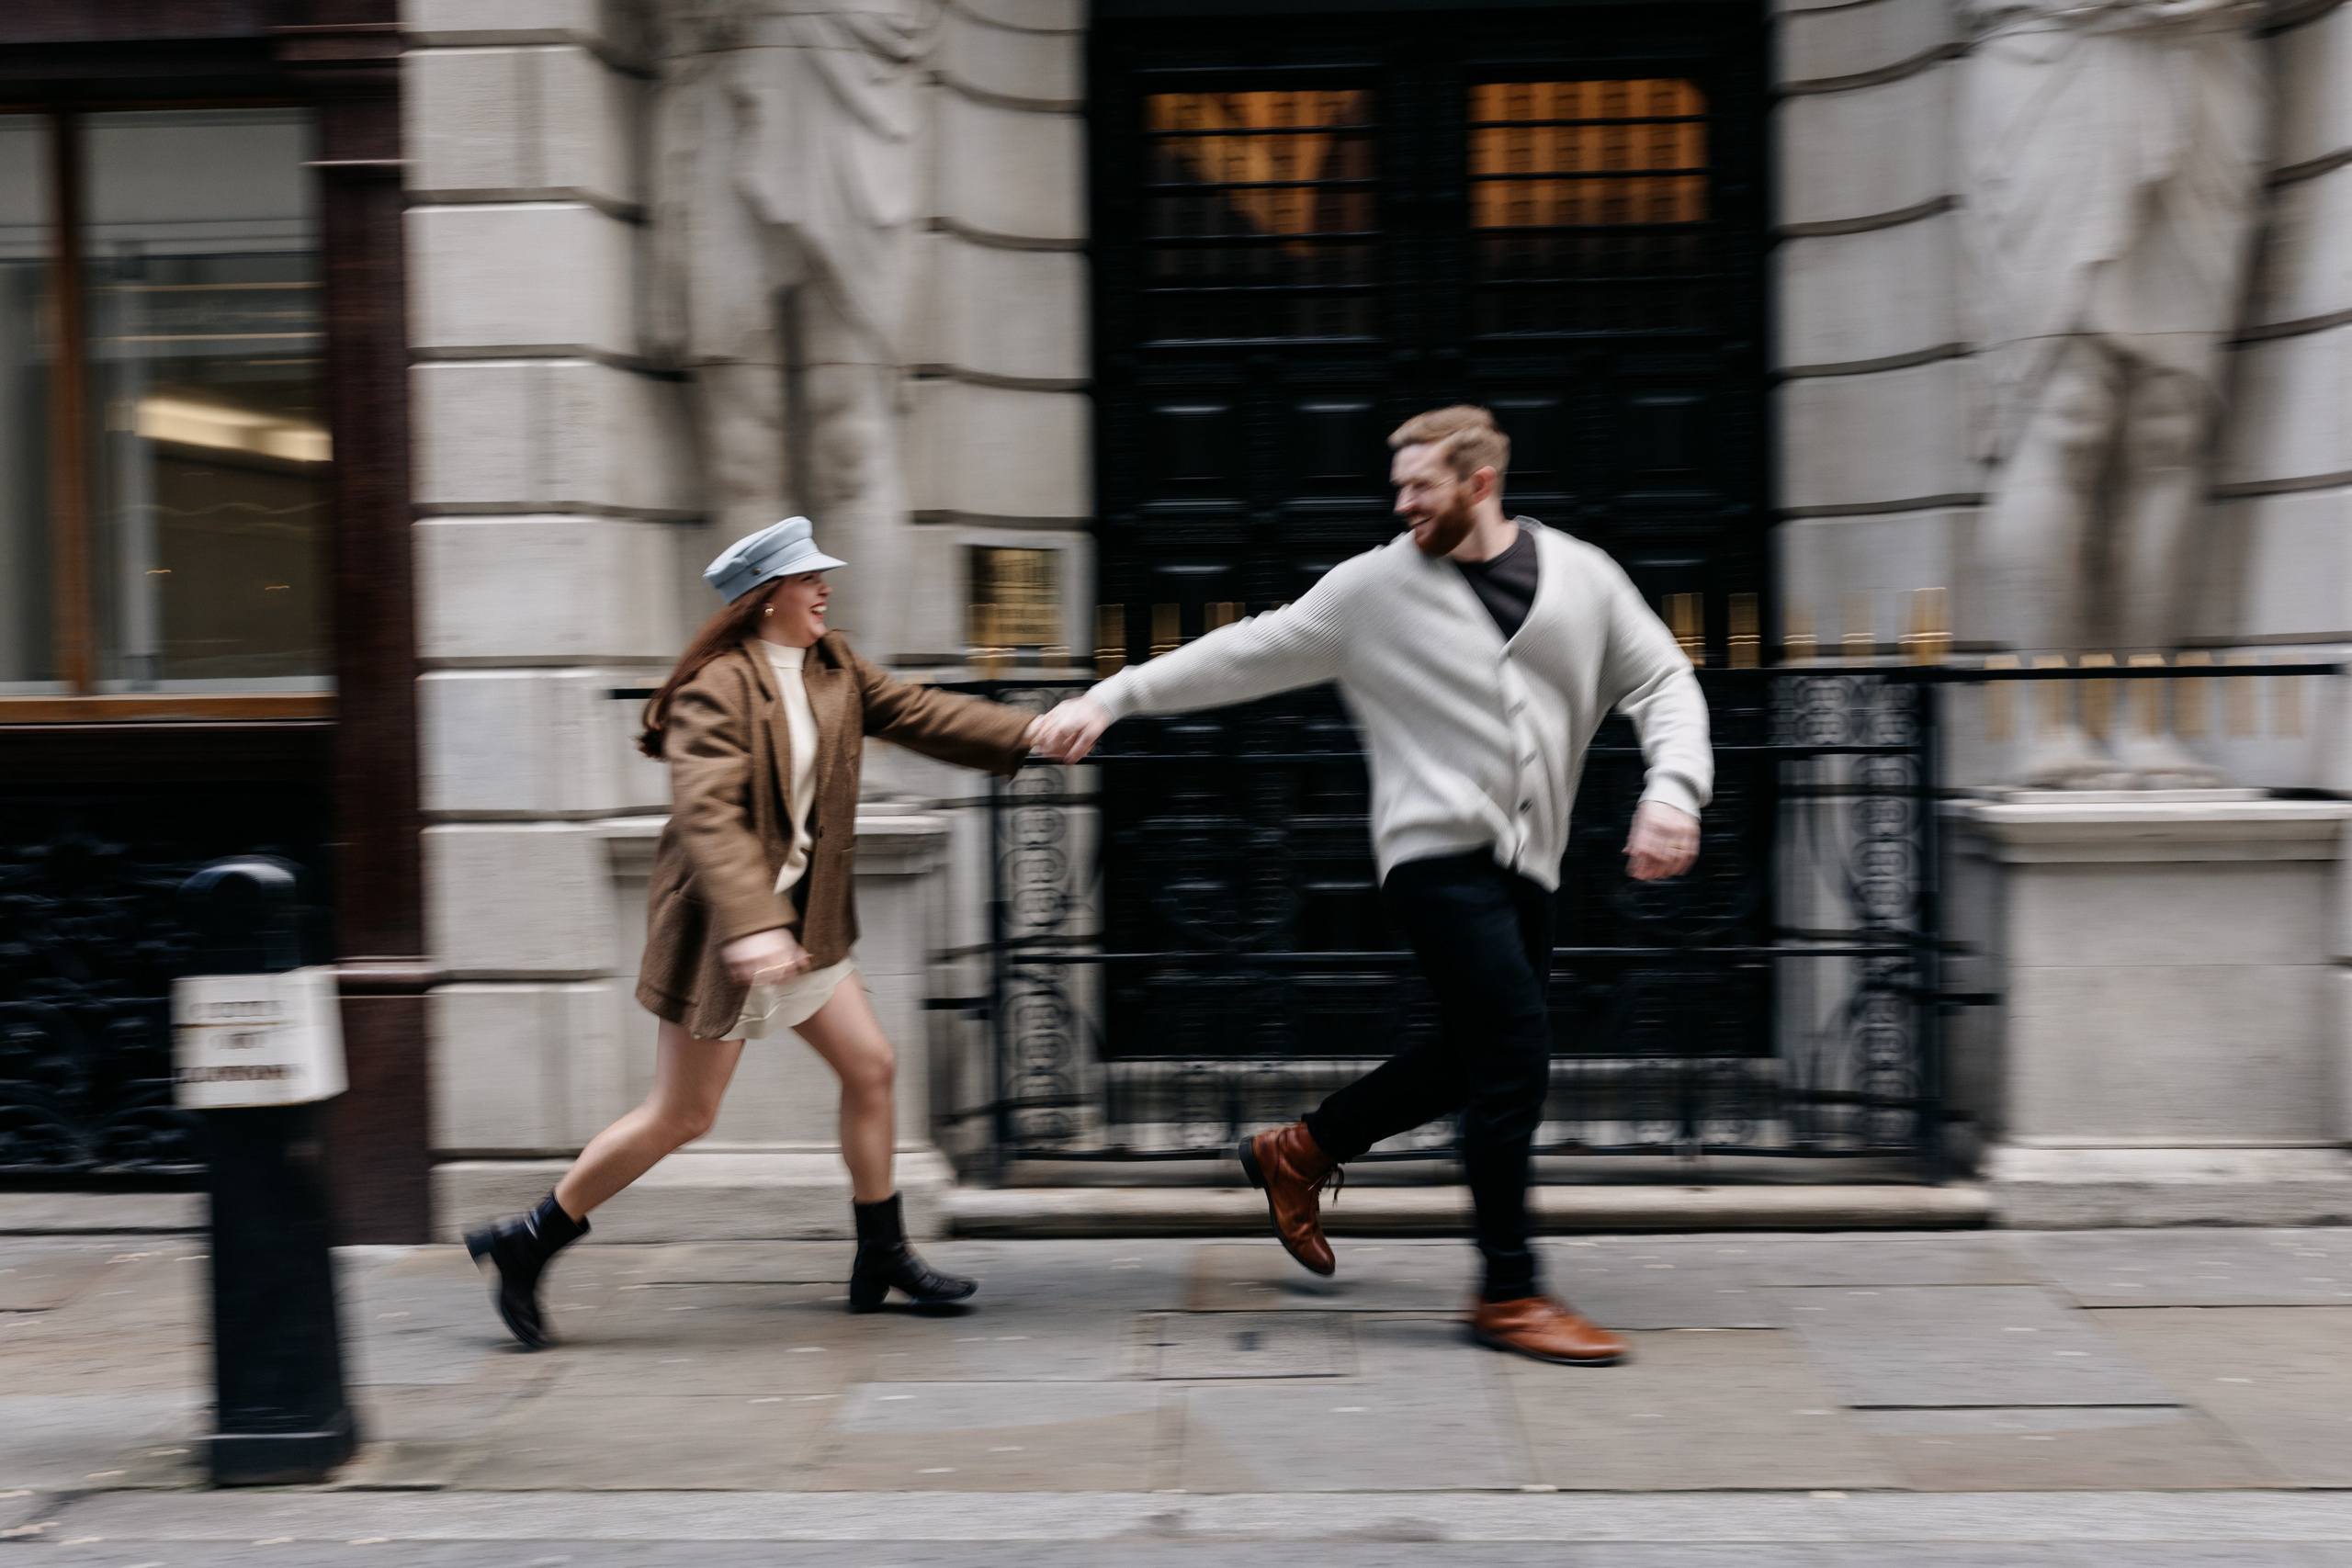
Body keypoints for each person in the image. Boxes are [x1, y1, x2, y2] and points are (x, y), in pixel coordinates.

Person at [1030, 407, 1712, 1366]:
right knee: (1514, 1058)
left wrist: (1672, 789)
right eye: (1397, 487)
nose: (1400, 504)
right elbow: (1243, 651)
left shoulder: (1582, 576)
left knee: (1473, 1056)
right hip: (1432, 857)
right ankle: (1509, 1292)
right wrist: (1109, 698)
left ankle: (1300, 1150)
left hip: (1530, 863)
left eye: (1418, 487)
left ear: (1478, 484)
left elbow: (1664, 683)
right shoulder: (1374, 589)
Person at [467, 516, 1043, 1348]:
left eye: (821, 578)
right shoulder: (718, 689)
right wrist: (753, 926)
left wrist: (1030, 731)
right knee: (682, 1114)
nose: (824, 590)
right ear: (766, 596)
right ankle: (528, 1241)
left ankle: (881, 1252)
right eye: (809, 580)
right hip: (729, 938)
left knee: (872, 1067)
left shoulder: (833, 666)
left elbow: (921, 711)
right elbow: (709, 817)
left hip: (803, 932)